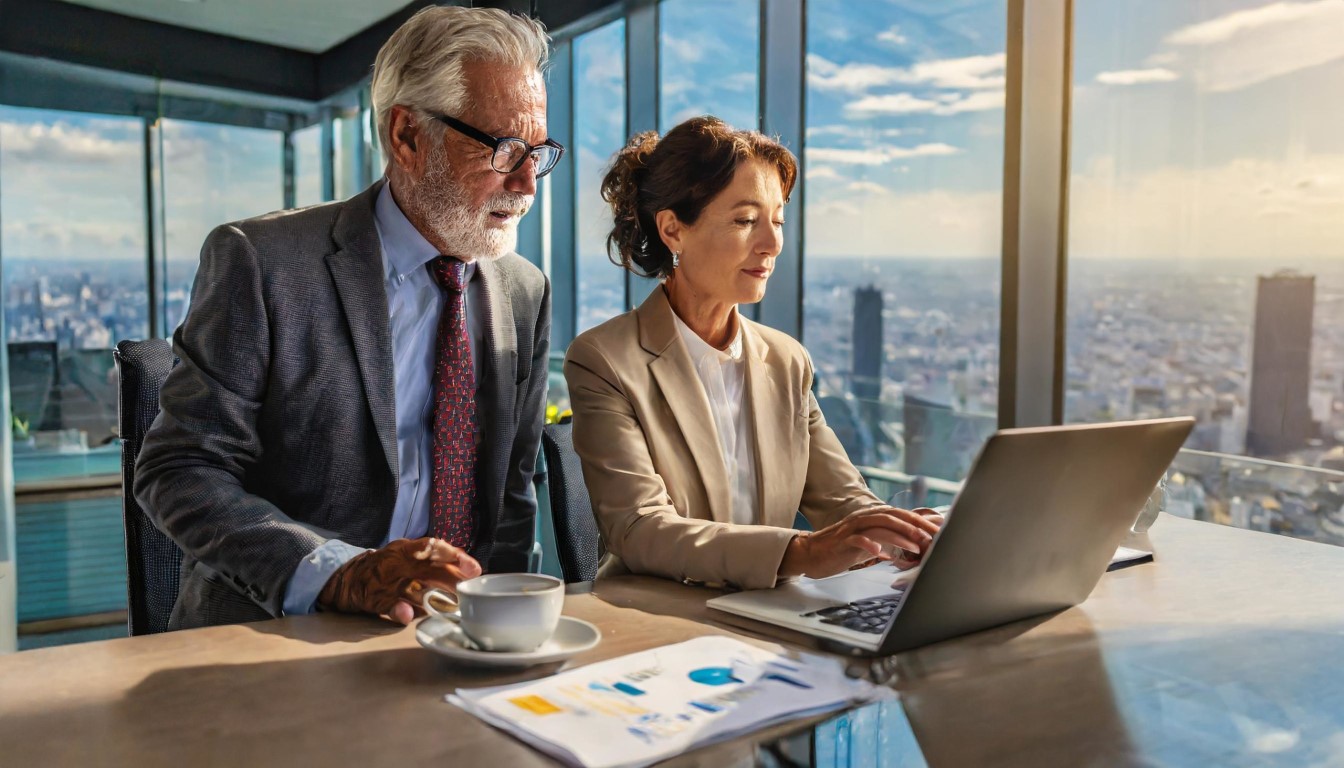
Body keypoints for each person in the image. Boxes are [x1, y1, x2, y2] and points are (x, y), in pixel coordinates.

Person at [135, 7, 556, 629]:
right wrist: (340, 572)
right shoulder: (262, 262)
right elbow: (179, 469)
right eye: (505, 148)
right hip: (276, 636)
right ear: (407, 136)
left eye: (539, 151)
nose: (527, 181)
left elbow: (511, 497)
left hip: (455, 640)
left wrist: (506, 631)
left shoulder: (525, 290)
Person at [563, 116, 943, 590]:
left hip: (768, 614)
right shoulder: (605, 359)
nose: (771, 244)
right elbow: (639, 529)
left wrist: (901, 530)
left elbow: (844, 501)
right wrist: (803, 550)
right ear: (673, 230)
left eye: (778, 221)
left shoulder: (787, 361)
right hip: (662, 618)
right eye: (745, 221)